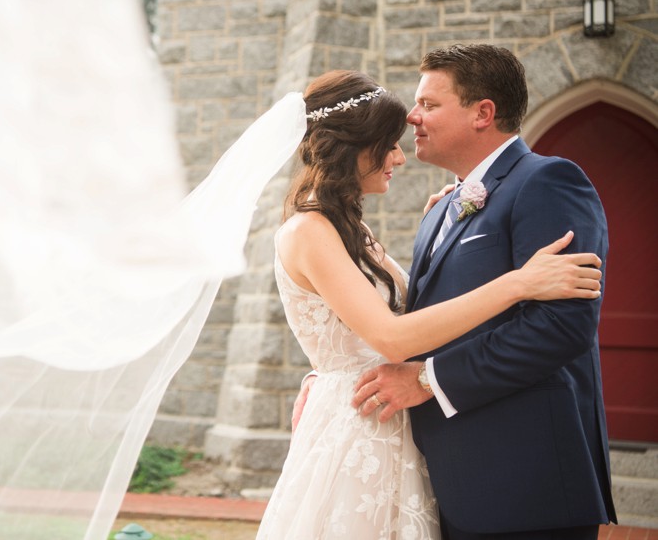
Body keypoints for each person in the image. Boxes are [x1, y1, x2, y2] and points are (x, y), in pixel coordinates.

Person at [255, 69, 603, 539]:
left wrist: (447, 227)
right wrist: (518, 283)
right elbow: (391, 335)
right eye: (388, 143)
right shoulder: (309, 231)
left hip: (398, 426)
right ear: (351, 147)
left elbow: (396, 312)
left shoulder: (352, 229)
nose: (400, 155)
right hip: (361, 427)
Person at [348, 44, 617, 539]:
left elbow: (559, 329)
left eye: (429, 104)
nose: (412, 116)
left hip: (524, 482)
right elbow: (419, 320)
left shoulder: (548, 183)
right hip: (448, 480)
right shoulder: (441, 208)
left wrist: (427, 381)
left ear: (483, 113)